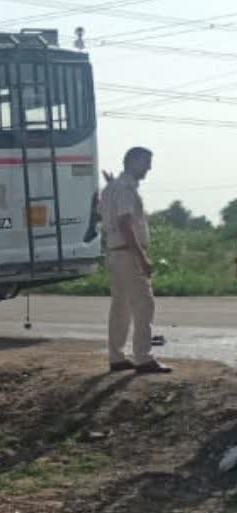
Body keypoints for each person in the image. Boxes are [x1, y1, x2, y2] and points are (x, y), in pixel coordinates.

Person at [101, 147, 172, 375]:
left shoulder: (111, 187)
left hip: (114, 253)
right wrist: (142, 258)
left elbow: (103, 215)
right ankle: (143, 358)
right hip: (128, 254)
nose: (149, 168)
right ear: (133, 162)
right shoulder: (125, 189)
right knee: (144, 305)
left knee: (120, 307)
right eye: (146, 162)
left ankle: (117, 357)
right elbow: (125, 224)